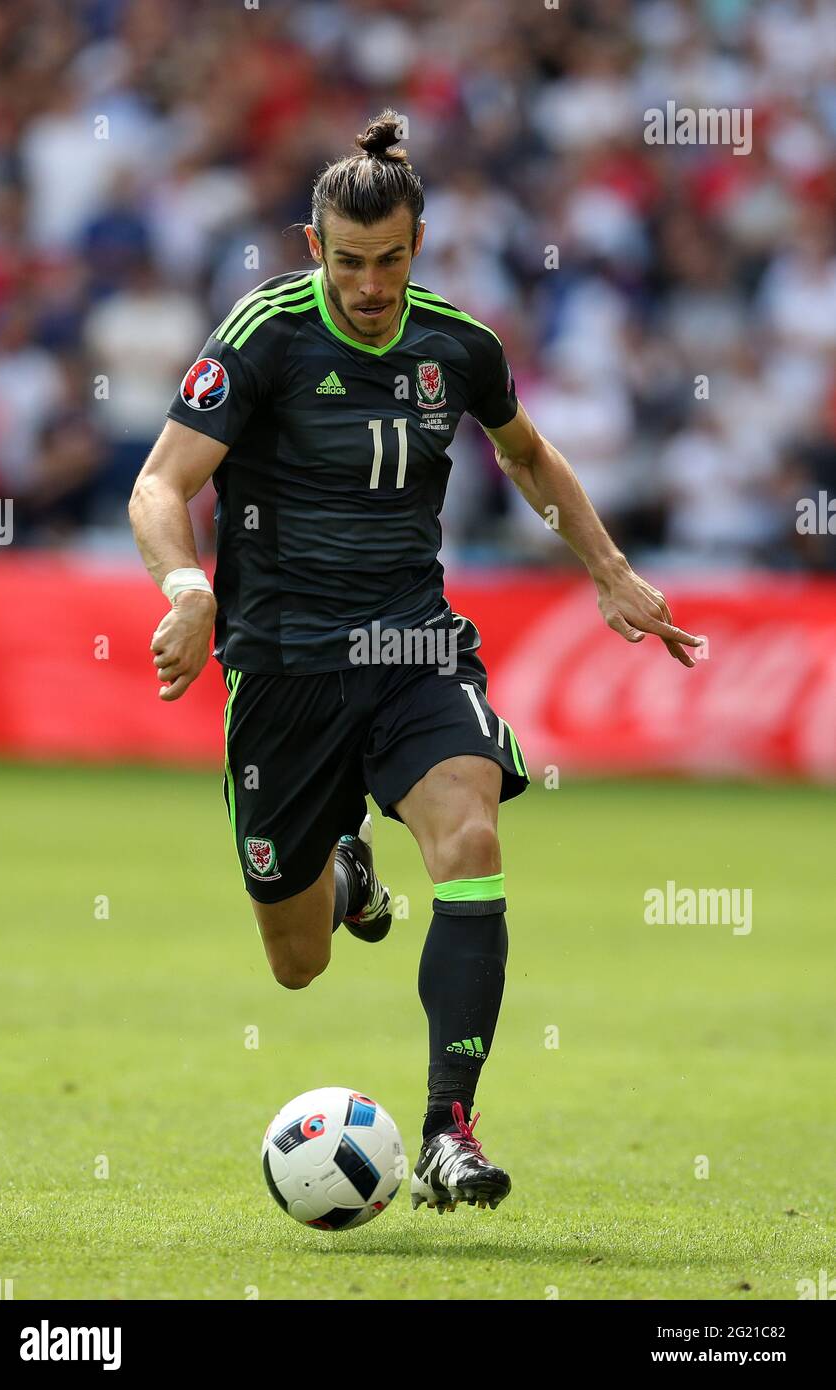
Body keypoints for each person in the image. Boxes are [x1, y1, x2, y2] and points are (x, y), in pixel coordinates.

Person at [129, 111, 701, 1217]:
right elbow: (160, 485)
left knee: (472, 833)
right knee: (297, 964)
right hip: (284, 666)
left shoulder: (456, 346)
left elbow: (526, 454)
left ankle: (447, 1126)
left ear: (418, 243)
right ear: (312, 247)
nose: (370, 285)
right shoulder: (261, 337)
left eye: (391, 259)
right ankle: (343, 870)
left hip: (412, 649)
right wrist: (188, 589)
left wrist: (610, 571)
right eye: (348, 261)